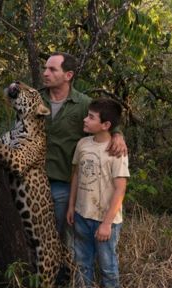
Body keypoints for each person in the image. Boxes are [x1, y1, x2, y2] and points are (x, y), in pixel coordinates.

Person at [40, 52, 127, 247]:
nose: (45, 73)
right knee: (35, 232)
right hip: (34, 179)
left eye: (52, 69)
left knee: (62, 235)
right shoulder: (35, 99)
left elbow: (106, 120)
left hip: (63, 181)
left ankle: (66, 275)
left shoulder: (83, 104)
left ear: (68, 75)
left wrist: (118, 134)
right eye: (45, 68)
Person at [66, 98, 129, 288]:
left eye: (91, 117)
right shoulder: (83, 144)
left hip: (105, 220)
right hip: (82, 214)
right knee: (82, 260)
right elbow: (76, 175)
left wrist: (107, 224)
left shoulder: (116, 150)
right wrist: (71, 207)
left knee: (107, 262)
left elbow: (120, 189)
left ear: (106, 125)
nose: (85, 120)